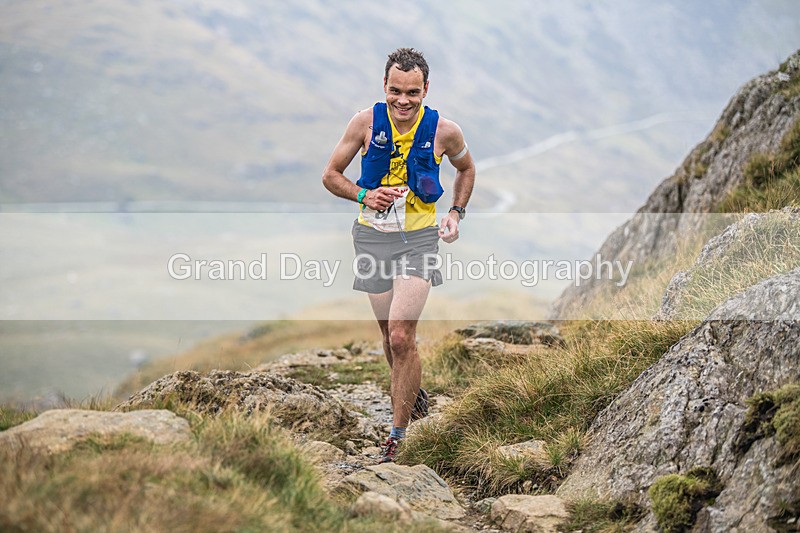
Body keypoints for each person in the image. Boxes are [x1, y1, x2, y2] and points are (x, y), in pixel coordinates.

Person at [322, 48, 475, 463]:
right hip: (372, 239)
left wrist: (456, 214)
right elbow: (331, 175)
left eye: (412, 92)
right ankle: (413, 397)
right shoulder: (365, 123)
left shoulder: (444, 131)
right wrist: (364, 195)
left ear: (426, 89)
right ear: (384, 87)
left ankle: (399, 436)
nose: (402, 101)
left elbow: (466, 169)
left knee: (401, 335)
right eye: (395, 91)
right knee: (389, 337)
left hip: (419, 240)